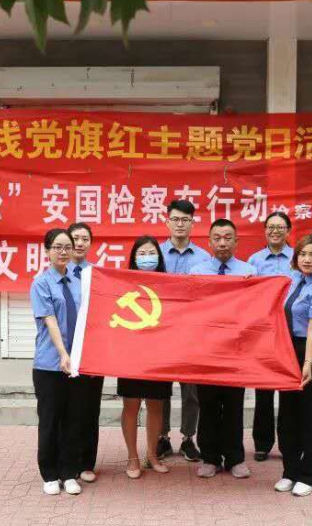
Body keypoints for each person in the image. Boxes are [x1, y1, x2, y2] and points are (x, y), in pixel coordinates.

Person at [189, 218, 257, 479]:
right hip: (206, 349)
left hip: (236, 350)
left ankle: (235, 458)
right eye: (217, 238)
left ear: (236, 241)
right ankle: (210, 458)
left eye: (228, 238)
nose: (222, 243)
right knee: (207, 405)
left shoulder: (249, 271)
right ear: (209, 242)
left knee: (233, 405)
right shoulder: (196, 272)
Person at [275, 233, 312, 497]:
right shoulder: (293, 281)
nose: (307, 259)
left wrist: (308, 363)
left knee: (310, 416)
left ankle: (308, 475)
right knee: (287, 415)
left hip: (309, 353)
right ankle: (289, 471)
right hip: (287, 351)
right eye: (302, 254)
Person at [30, 228, 84, 496]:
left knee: (73, 419)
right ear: (47, 251)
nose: (63, 252)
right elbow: (50, 320)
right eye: (57, 247)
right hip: (50, 364)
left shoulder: (77, 281)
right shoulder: (41, 283)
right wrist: (64, 354)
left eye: (67, 247)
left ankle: (69, 472)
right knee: (50, 420)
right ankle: (50, 473)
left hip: (77, 363)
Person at [157, 199, 210, 461]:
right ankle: (162, 437)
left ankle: (189, 438)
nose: (180, 224)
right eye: (175, 219)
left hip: (192, 333)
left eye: (185, 220)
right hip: (161, 332)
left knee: (192, 390)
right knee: (161, 389)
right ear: (167, 222)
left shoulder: (204, 258)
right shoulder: (154, 253)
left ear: (192, 223)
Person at [117, 236, 174, 479]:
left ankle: (152, 455)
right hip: (130, 355)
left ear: (159, 257)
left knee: (156, 405)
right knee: (131, 405)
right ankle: (132, 457)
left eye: (151, 253)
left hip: (159, 355)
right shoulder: (121, 284)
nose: (146, 258)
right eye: (141, 254)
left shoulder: (169, 284)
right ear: (133, 258)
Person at [247, 211, 294, 462]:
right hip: (263, 331)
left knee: (288, 390)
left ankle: (287, 443)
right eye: (271, 227)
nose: (275, 231)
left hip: (291, 329)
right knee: (263, 391)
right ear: (265, 231)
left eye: (280, 227)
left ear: (288, 231)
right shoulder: (254, 261)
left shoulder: (299, 257)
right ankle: (262, 444)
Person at [67, 222, 104, 484]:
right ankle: (67, 461)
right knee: (67, 409)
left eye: (84, 239)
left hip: (92, 352)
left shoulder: (98, 275)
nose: (80, 243)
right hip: (66, 352)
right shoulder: (58, 273)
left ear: (91, 243)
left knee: (90, 409)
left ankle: (87, 462)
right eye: (75, 238)